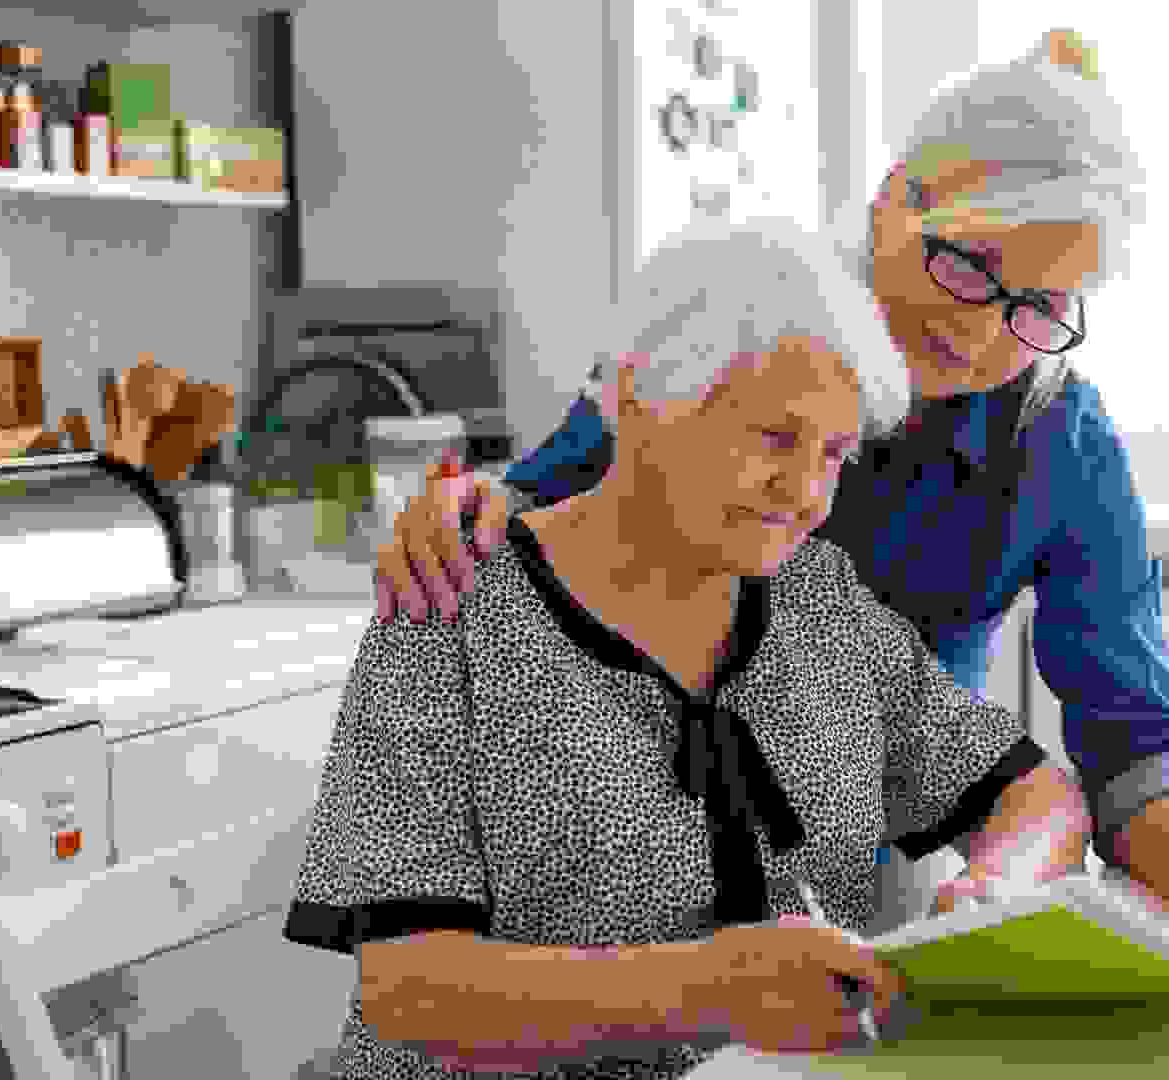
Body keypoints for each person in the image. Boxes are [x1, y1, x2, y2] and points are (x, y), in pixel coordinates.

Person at [369, 29, 1169, 924]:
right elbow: (534, 512)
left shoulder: (1058, 446)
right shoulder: (735, 324)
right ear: (892, 202)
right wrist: (467, 514)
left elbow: (1125, 727)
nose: (978, 330)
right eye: (969, 266)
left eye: (1037, 305)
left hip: (876, 873)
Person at [285, 215, 1081, 1078]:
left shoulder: (820, 599)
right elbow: (411, 990)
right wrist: (708, 988)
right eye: (775, 440)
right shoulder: (452, 605)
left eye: (837, 455)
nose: (806, 492)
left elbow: (1036, 796)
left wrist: (997, 889)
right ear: (635, 400)